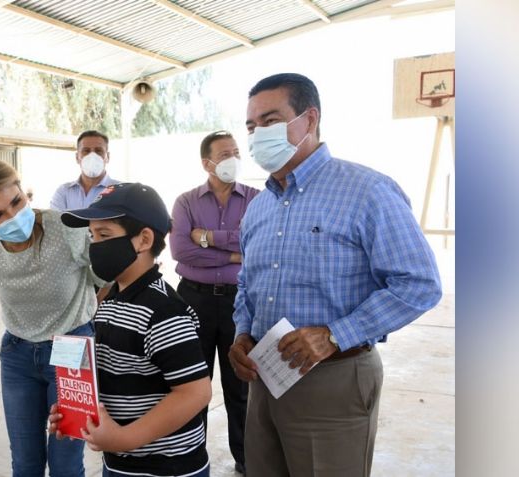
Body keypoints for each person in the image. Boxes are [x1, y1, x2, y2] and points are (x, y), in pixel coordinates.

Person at [227, 73, 442, 476]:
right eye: (252, 127)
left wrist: (334, 335)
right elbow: (246, 284)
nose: (258, 135)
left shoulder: (368, 191)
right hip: (265, 377)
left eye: (270, 121)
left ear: (309, 120)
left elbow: (419, 283)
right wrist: (242, 332)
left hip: (334, 380)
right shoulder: (258, 207)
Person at [0, 160, 105, 477]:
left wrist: (86, 318)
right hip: (17, 356)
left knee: (66, 464)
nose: (12, 216)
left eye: (16, 202)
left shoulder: (65, 228)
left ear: (25, 192)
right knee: (25, 464)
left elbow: (104, 278)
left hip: (73, 351)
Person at [55, 182, 213, 477]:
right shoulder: (111, 297)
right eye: (91, 236)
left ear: (143, 239)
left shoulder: (165, 312)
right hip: (121, 463)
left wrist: (124, 438)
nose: (95, 245)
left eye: (104, 235)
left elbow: (195, 392)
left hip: (168, 468)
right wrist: (79, 411)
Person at [169, 131, 260, 475]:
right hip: (194, 300)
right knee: (193, 384)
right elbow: (181, 251)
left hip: (241, 301)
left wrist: (208, 239)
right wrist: (235, 253)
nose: (232, 159)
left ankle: (246, 459)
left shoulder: (256, 198)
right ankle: (191, 456)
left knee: (240, 386)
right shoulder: (186, 201)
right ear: (206, 162)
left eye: (236, 152)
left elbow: (258, 244)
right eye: (224, 154)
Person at [50, 130, 120, 211]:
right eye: (86, 151)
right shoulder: (63, 192)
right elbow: (55, 221)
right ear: (77, 157)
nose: (92, 156)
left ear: (107, 157)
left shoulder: (120, 192)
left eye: (98, 151)